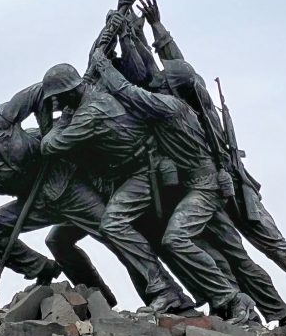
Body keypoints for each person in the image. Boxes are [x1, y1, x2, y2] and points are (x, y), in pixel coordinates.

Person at [134, 0, 286, 327]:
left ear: (178, 90)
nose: (160, 86)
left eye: (166, 85)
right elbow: (160, 71)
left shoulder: (199, 106)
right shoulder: (176, 104)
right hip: (210, 190)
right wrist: (143, 30)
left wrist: (155, 30)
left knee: (277, 248)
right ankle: (280, 313)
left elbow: (178, 69)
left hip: (236, 187)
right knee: (238, 258)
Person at [89, 45, 262, 325]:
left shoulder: (170, 107)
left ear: (171, 87)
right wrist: (130, 35)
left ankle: (234, 298)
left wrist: (102, 65)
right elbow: (145, 71)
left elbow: (128, 92)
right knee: (206, 247)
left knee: (177, 239)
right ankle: (227, 301)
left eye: (163, 79)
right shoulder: (174, 104)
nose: (156, 79)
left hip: (205, 187)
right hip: (195, 185)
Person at [0, 88, 122, 306]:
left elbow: (38, 92)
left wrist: (48, 131)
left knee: (114, 232)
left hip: (67, 185)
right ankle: (43, 268)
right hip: (37, 205)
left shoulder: (2, 121)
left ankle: (159, 290)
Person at [37, 59, 189, 314]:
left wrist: (62, 121)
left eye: (58, 98)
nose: (56, 104)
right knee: (57, 238)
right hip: (116, 178)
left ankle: (166, 290)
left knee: (113, 223)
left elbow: (50, 145)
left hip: (143, 172)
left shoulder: (91, 111)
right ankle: (98, 300)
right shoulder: (87, 98)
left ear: (71, 92)